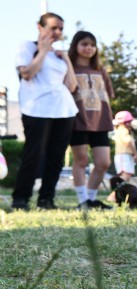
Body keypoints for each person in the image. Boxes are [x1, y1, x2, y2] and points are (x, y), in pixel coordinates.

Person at [11, 12, 78, 211]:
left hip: (64, 110)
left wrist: (67, 60)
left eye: (61, 29)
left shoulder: (59, 55)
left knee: (56, 157)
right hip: (36, 109)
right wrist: (42, 51)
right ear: (40, 27)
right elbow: (27, 73)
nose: (57, 32)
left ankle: (46, 200)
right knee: (33, 154)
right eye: (53, 28)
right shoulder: (27, 47)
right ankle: (20, 199)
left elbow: (72, 87)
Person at [68, 31, 114, 210]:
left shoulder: (100, 69)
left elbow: (108, 94)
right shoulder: (70, 68)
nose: (89, 48)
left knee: (103, 163)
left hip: (100, 121)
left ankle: (91, 199)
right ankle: (82, 201)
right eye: (84, 44)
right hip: (77, 120)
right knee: (81, 161)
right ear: (76, 46)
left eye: (92, 45)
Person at [112, 111, 137, 182]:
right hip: (123, 155)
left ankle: (122, 191)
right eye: (129, 121)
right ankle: (115, 187)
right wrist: (135, 153)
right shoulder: (123, 130)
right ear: (126, 122)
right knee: (125, 176)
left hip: (126, 155)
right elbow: (128, 142)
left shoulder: (123, 131)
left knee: (127, 176)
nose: (130, 124)